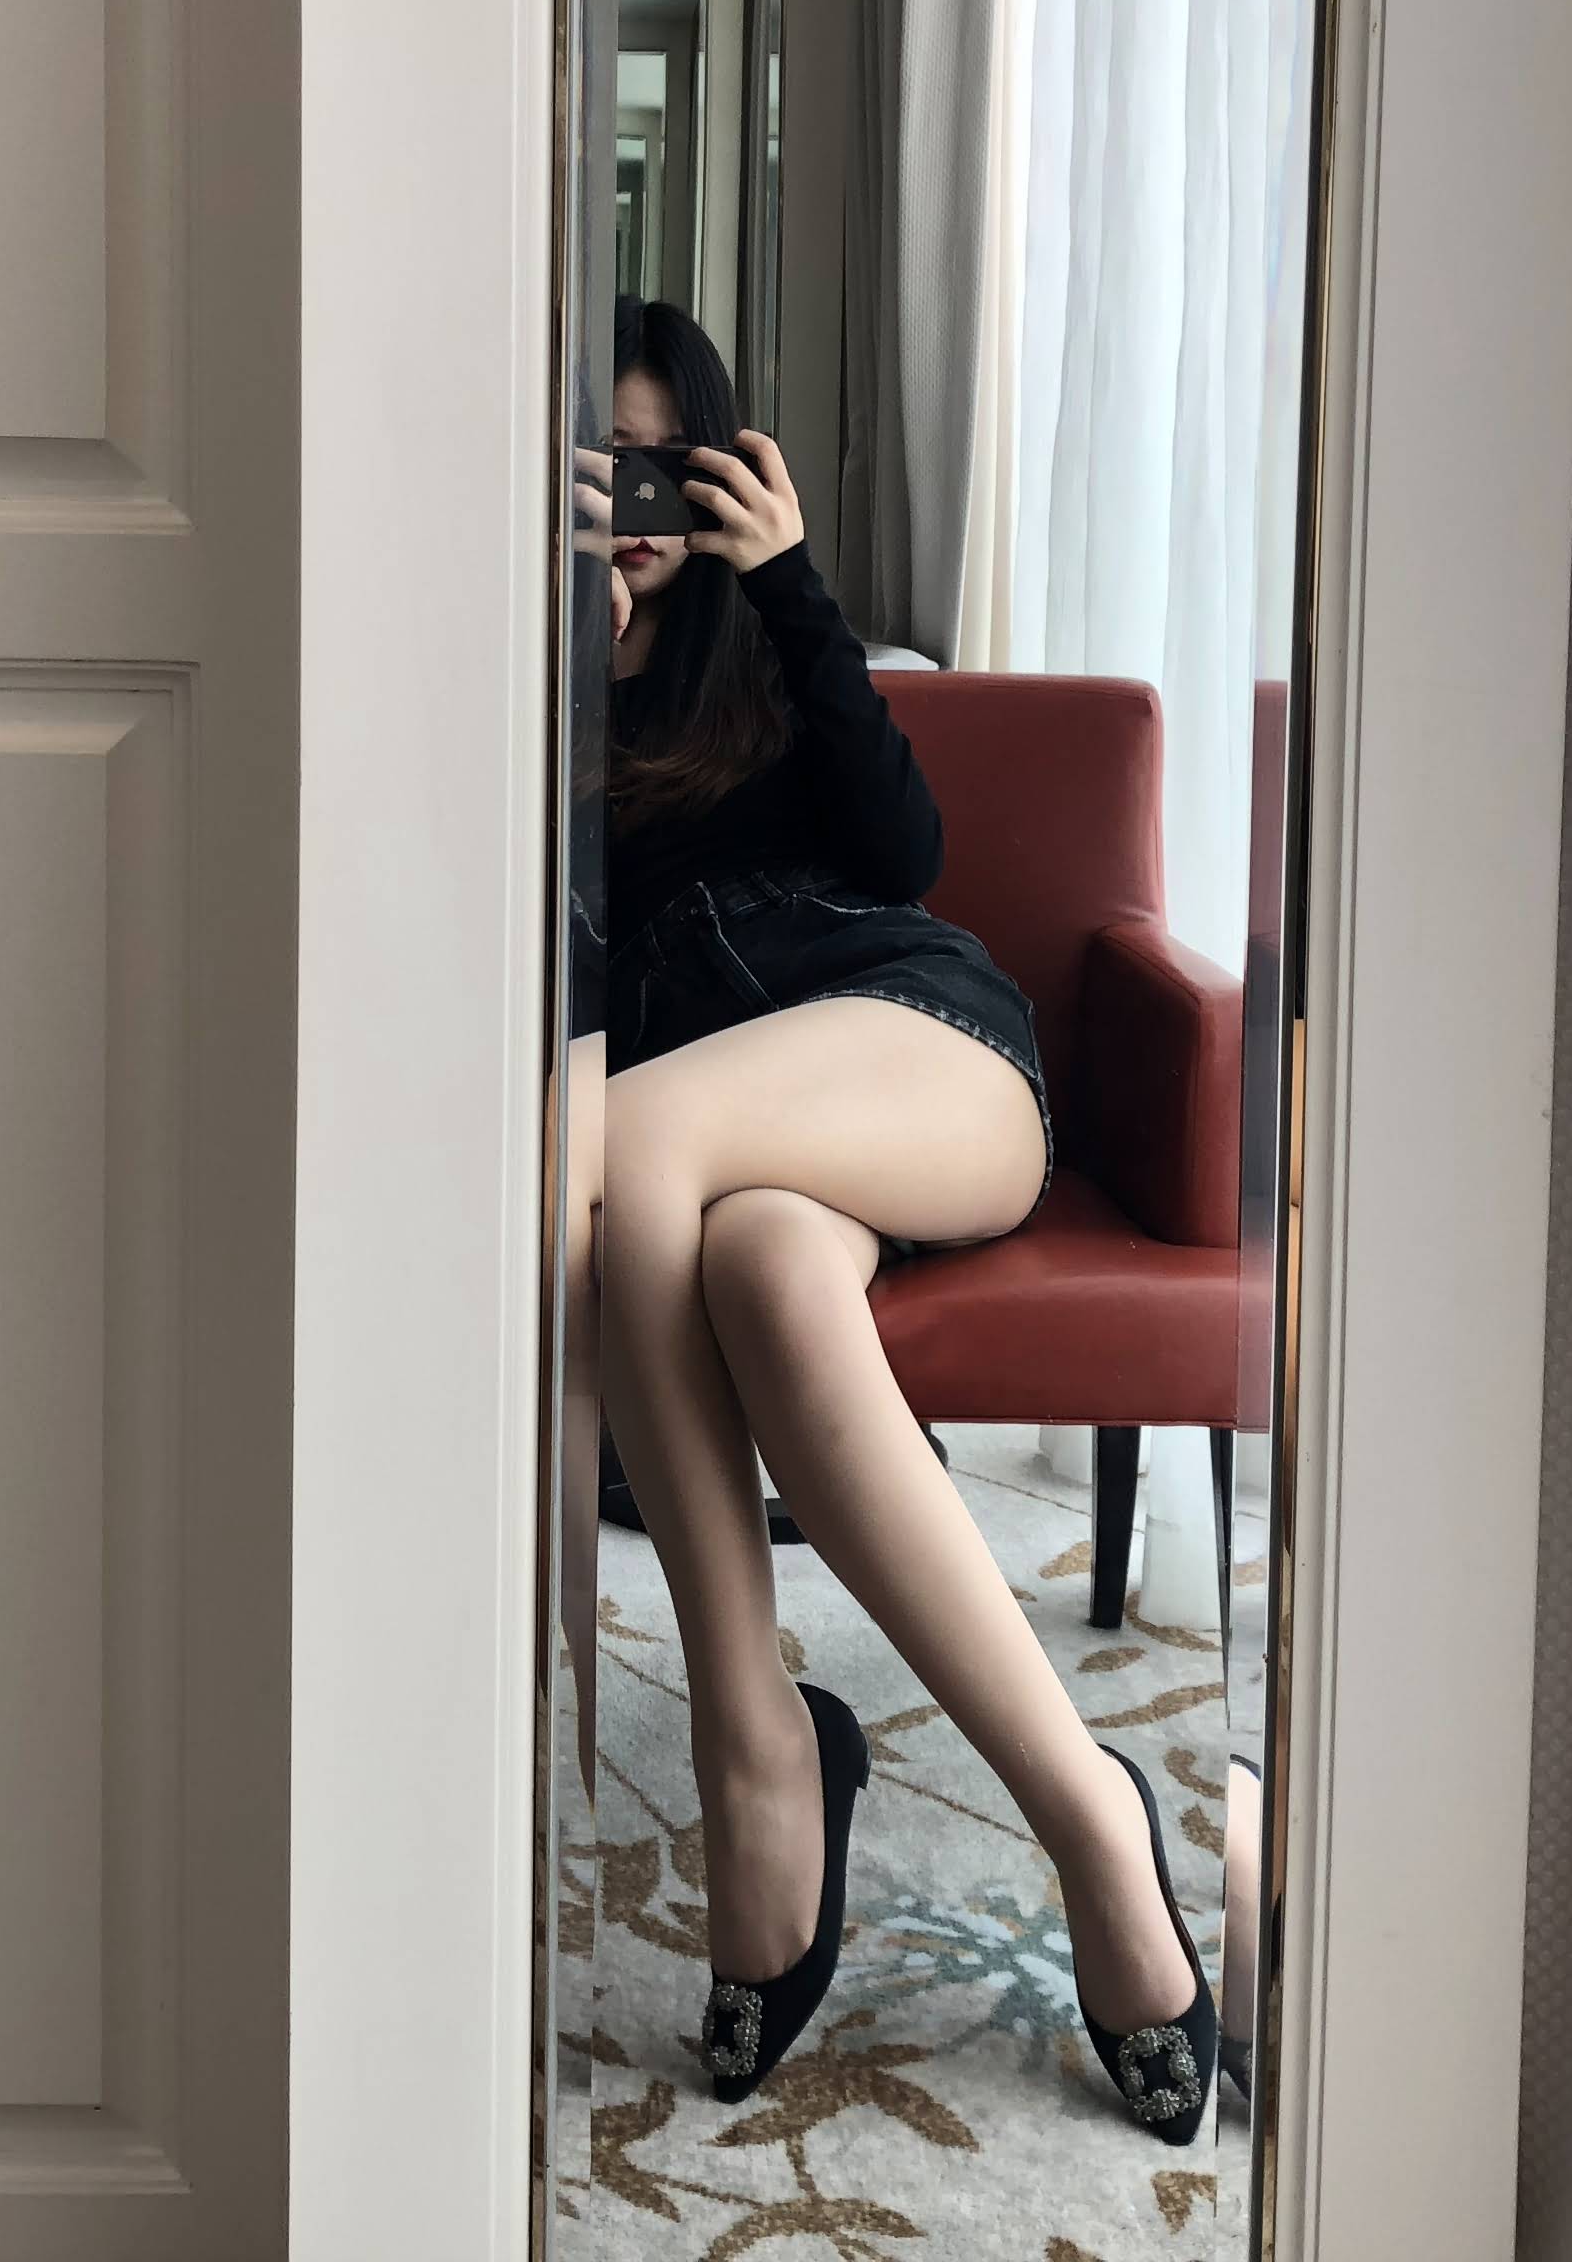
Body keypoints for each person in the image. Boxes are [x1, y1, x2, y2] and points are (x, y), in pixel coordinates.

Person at [588, 297, 1214, 2141]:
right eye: (604, 467)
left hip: (917, 1043)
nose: (638, 505)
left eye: (668, 465)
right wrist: (547, 660)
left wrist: (789, 586)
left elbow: (905, 853)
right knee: (756, 1261)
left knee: (624, 1145)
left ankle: (756, 1754)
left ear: (720, 469)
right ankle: (1088, 1817)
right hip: (738, 1160)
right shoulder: (529, 682)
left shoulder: (762, 652)